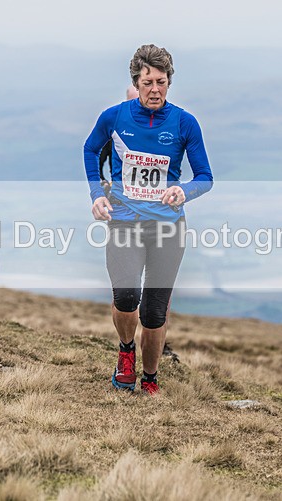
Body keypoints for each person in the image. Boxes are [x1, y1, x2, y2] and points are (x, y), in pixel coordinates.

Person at [82, 44, 213, 395]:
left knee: (154, 313)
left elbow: (205, 177)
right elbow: (90, 149)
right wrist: (97, 194)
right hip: (125, 222)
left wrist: (184, 191)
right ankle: (126, 351)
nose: (155, 89)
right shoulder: (114, 117)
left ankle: (151, 378)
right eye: (147, 82)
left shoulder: (185, 123)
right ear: (136, 83)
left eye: (161, 82)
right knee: (126, 296)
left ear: (169, 81)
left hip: (167, 227)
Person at [99, 86, 140, 197]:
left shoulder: (159, 128)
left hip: (151, 193)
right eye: (133, 102)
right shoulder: (114, 128)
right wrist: (102, 182)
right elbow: (97, 158)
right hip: (120, 191)